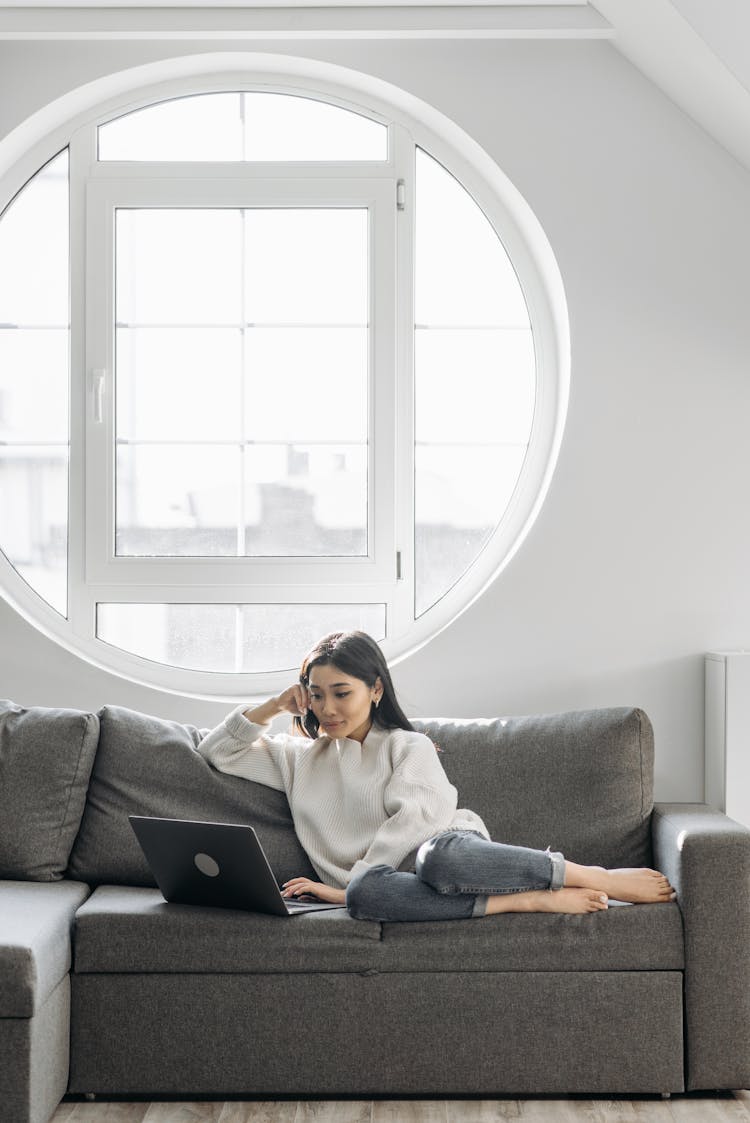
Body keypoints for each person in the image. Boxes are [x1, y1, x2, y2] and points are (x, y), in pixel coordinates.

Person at [196, 630, 675, 921]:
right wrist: (276, 706)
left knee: (437, 859)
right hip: (388, 892)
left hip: (452, 857)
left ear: (376, 689)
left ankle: (592, 875)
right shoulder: (298, 758)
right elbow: (217, 752)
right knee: (367, 897)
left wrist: (346, 887)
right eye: (316, 694)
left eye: (342, 692)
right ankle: (525, 901)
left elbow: (415, 824)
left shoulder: (408, 745)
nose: (328, 707)